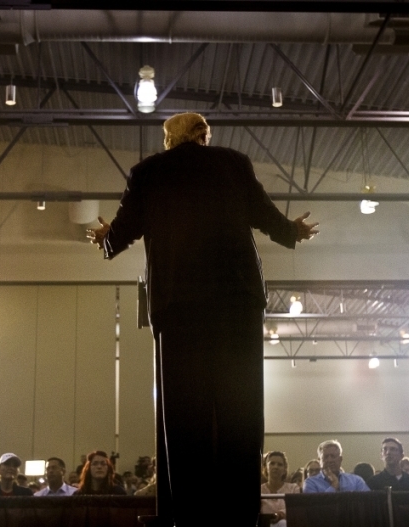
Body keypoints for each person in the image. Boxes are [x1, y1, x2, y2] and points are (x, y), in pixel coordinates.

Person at [87, 112, 318, 527]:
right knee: (242, 408)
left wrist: (106, 240)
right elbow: (263, 212)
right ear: (198, 134)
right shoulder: (234, 162)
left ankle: (186, 514)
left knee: (182, 413)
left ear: (169, 138)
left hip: (178, 304)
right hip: (238, 300)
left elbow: (123, 231)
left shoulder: (148, 172)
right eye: (206, 133)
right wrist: (291, 231)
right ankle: (239, 511)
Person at [303, 440, 369, 493]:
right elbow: (315, 507)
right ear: (319, 460)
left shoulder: (356, 481)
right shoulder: (311, 483)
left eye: (333, 456)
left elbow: (367, 502)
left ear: (340, 459)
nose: (329, 460)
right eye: (325, 457)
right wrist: (334, 486)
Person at [260, 451, 300, 527]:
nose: (276, 467)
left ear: (285, 469)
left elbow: (296, 510)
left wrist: (280, 515)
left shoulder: (294, 488)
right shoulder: (260, 490)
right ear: (265, 467)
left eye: (280, 464)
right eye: (272, 463)